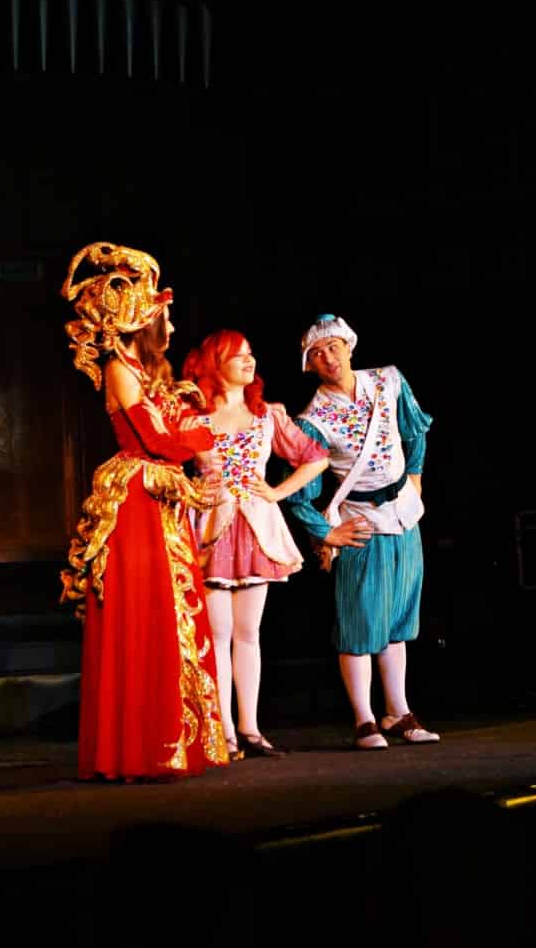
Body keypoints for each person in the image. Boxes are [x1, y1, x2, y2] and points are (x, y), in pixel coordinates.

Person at [58, 242, 229, 780]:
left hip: (160, 496)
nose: (171, 328)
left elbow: (177, 432)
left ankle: (174, 742)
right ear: (140, 321)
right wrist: (205, 434)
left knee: (173, 612)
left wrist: (199, 435)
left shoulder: (149, 371)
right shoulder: (119, 369)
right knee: (146, 612)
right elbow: (158, 439)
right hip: (137, 498)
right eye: (163, 318)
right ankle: (138, 747)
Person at [283, 314, 440, 750]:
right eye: (317, 354)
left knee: (398, 617)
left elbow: (415, 430)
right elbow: (299, 490)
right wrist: (326, 533)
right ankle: (364, 719)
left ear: (349, 347)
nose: (328, 358)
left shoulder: (388, 381)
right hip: (361, 522)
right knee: (360, 620)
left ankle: (398, 711)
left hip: (403, 512)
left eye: (333, 347)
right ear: (310, 365)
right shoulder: (313, 419)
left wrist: (415, 477)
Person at [183, 330, 331, 759]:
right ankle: (224, 731)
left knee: (249, 633)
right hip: (211, 528)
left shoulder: (267, 415)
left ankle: (249, 727)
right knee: (217, 633)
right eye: (238, 356)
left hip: (255, 529)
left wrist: (278, 492)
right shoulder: (194, 418)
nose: (249, 361)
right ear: (216, 364)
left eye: (251, 354)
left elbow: (316, 457)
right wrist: (196, 489)